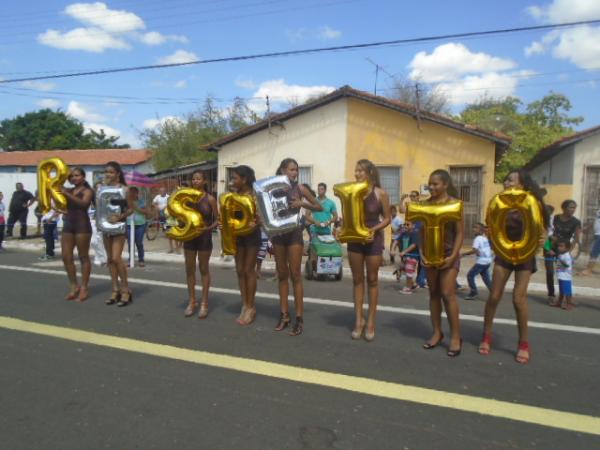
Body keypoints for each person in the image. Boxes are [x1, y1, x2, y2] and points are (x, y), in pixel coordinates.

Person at [478, 169, 549, 364]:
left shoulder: (531, 203)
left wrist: (533, 252)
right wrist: (494, 245)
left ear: (522, 184)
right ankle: (486, 335)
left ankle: (523, 343)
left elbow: (541, 231)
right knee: (494, 295)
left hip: (525, 256)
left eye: (511, 180)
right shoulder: (500, 202)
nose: (507, 183)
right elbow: (490, 226)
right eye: (506, 180)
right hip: (504, 254)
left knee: (519, 299)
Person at [272, 158, 322, 336]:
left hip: (294, 235)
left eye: (296, 170)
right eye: (292, 170)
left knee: (295, 275)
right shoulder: (272, 188)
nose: (295, 173)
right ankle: (284, 314)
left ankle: (299, 318)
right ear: (283, 170)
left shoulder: (300, 188)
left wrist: (302, 204)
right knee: (282, 275)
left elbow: (319, 206)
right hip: (278, 235)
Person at [420, 170, 464, 357]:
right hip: (429, 255)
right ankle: (437, 332)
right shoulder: (424, 205)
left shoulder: (455, 205)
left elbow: (460, 233)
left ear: (445, 184)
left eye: (436, 184)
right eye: (430, 184)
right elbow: (421, 232)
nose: (432, 187)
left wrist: (453, 256)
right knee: (434, 293)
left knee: (447, 293)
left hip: (448, 254)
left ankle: (455, 337)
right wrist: (421, 253)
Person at [347, 159, 391, 341]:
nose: (357, 174)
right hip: (355, 240)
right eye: (356, 171)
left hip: (374, 239)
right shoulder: (351, 192)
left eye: (360, 171)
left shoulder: (381, 194)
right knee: (357, 280)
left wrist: (373, 230)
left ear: (370, 173)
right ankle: (359, 320)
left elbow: (387, 218)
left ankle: (371, 320)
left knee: (372, 280)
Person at [228, 165, 261, 325]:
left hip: (252, 237)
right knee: (240, 270)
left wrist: (255, 224)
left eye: (235, 178)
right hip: (237, 238)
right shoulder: (233, 195)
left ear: (244, 179)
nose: (232, 180)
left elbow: (262, 218)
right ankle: (245, 304)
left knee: (249, 270)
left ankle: (251, 307)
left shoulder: (255, 195)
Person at [183, 170, 218, 319]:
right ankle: (192, 301)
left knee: (203, 269)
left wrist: (207, 228)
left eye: (198, 179)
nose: (195, 181)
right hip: (189, 237)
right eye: (193, 179)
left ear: (204, 181)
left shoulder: (210, 199)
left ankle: (204, 302)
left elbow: (217, 220)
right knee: (189, 269)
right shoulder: (185, 198)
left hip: (204, 237)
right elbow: (180, 215)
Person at [58, 167, 95, 302]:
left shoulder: (88, 191)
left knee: (83, 257)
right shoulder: (68, 190)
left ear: (83, 177)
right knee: (66, 257)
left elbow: (84, 204)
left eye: (77, 175)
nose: (74, 178)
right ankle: (74, 285)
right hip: (68, 224)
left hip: (82, 225)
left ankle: (84, 287)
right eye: (71, 176)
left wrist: (66, 194)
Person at [103, 161, 134, 307]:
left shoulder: (124, 190)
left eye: (111, 172)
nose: (108, 174)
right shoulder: (102, 189)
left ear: (117, 174)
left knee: (116, 258)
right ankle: (115, 290)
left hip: (119, 227)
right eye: (106, 172)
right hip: (105, 227)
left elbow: (130, 209)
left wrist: (119, 217)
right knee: (110, 259)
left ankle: (126, 289)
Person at [544, 200, 581, 304]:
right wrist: (549, 249)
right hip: (550, 248)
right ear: (564, 208)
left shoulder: (576, 222)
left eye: (574, 208)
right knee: (550, 272)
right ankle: (551, 295)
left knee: (563, 274)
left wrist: (567, 252)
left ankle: (566, 296)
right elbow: (547, 233)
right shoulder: (554, 218)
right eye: (570, 207)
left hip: (563, 252)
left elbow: (576, 239)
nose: (573, 210)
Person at [462, 223, 493, 300]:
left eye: (476, 228)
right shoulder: (485, 238)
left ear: (481, 230)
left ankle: (473, 292)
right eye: (474, 227)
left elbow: (474, 250)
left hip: (481, 262)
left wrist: (463, 254)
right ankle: (494, 292)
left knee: (470, 275)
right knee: (486, 278)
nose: (474, 229)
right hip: (488, 261)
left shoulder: (477, 239)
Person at [126, 187, 150, 268]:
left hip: (140, 224)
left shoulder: (141, 201)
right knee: (130, 243)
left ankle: (141, 259)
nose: (131, 194)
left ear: (137, 193)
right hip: (129, 224)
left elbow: (146, 212)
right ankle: (130, 259)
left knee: (139, 243)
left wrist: (136, 208)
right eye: (130, 192)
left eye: (133, 192)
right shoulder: (127, 202)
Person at [395, 221, 418, 294]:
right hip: (405, 257)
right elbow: (396, 241)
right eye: (404, 224)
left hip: (412, 256)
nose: (405, 226)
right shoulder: (403, 234)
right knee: (403, 268)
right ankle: (413, 284)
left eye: (408, 224)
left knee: (409, 272)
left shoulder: (414, 234)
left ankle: (408, 288)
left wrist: (404, 252)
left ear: (413, 226)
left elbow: (413, 245)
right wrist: (392, 249)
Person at [552, 240, 574, 310]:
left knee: (567, 292)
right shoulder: (561, 254)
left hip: (566, 277)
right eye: (558, 246)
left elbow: (566, 266)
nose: (559, 248)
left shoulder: (567, 256)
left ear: (567, 248)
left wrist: (556, 258)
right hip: (561, 276)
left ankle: (569, 304)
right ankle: (559, 302)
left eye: (561, 246)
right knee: (561, 291)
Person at [581, 207, 600, 276]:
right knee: (593, 252)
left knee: (594, 252)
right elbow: (596, 221)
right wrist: (588, 227)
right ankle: (589, 269)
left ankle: (588, 270)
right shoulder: (598, 210)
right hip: (597, 234)